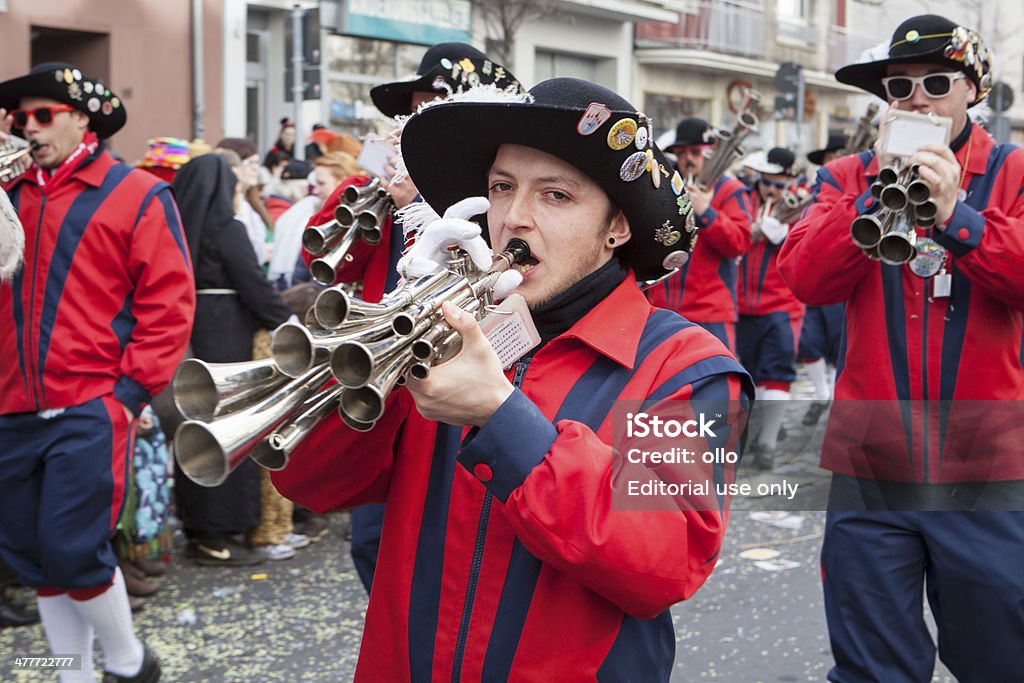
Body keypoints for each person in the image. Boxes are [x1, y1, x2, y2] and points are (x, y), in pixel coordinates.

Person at [273, 77, 753, 680]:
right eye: (502, 188)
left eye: (556, 196)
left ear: (618, 227)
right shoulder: (453, 328)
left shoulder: (686, 364)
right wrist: (393, 337)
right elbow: (309, 481)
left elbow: (667, 562)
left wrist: (502, 418)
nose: (514, 219)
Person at [778, 15, 1024, 682]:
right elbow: (804, 278)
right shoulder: (844, 175)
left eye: (935, 82)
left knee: (1001, 650)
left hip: (985, 455)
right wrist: (873, 193)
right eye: (899, 87)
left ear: (971, 90)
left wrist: (954, 218)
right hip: (871, 450)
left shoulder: (1015, 170)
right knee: (871, 659)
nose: (916, 99)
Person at [0, 62, 195, 682]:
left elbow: (169, 302)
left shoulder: (136, 191)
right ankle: (73, 673)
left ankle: (130, 662)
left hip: (90, 403)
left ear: (80, 118)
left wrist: (130, 392)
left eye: (41, 115)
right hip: (8, 405)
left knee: (72, 549)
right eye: (17, 117)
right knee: (33, 557)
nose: (26, 127)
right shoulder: (7, 195)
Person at [303, 41, 523, 591]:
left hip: (456, 362)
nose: (419, 121)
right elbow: (322, 258)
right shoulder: (378, 176)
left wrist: (414, 208)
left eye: (437, 109)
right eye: (416, 109)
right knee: (373, 538)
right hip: (377, 364)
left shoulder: (489, 186)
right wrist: (380, 186)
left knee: (449, 526)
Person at [171, 153, 294, 565]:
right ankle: (224, 530)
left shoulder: (175, 229)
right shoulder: (227, 227)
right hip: (227, 335)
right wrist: (284, 321)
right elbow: (252, 283)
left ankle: (200, 528)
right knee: (232, 425)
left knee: (197, 425)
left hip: (190, 332)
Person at [645, 117, 751, 351]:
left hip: (710, 311)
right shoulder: (666, 187)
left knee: (716, 383)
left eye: (695, 151)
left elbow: (738, 243)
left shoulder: (730, 189)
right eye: (681, 153)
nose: (688, 159)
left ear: (710, 152)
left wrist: (706, 211)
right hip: (664, 310)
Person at [735, 147, 804, 468]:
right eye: (767, 183)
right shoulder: (741, 199)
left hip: (780, 304)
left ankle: (767, 443)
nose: (772, 190)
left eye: (778, 184)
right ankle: (752, 433)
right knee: (745, 375)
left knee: (776, 373)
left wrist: (788, 232)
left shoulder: (801, 206)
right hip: (738, 306)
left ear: (788, 182)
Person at [797, 136, 848, 426]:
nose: (833, 161)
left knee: (837, 346)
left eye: (837, 155)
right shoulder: (819, 188)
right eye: (830, 156)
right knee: (809, 343)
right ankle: (822, 395)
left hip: (842, 279)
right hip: (817, 277)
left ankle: (831, 398)